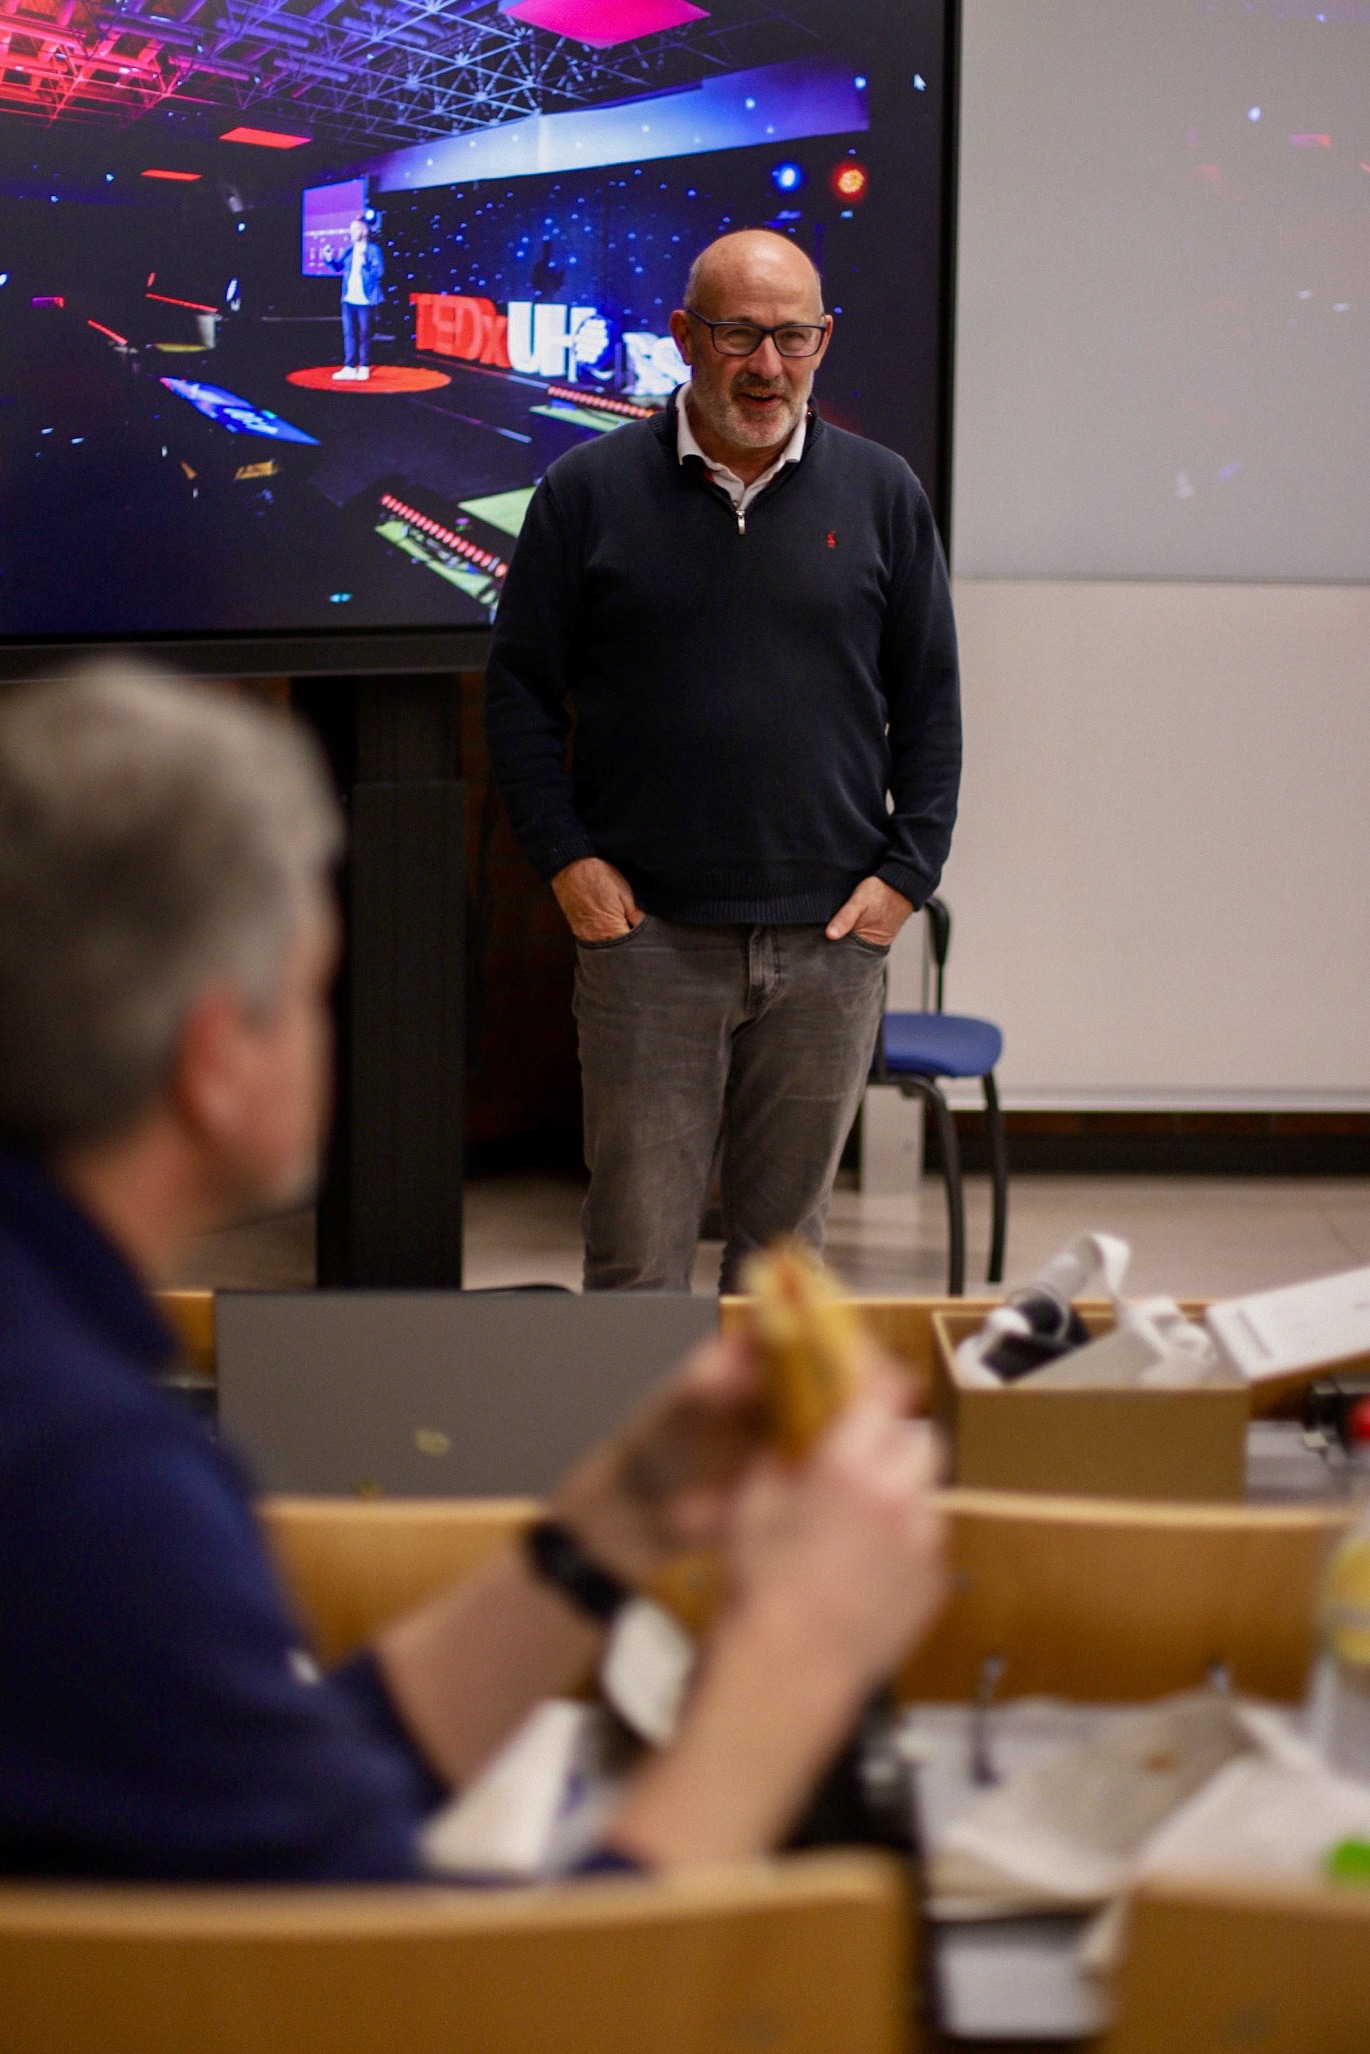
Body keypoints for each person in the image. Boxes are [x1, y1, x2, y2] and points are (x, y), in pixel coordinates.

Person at [0, 666, 945, 1882]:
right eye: (314, 989)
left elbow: (281, 1790)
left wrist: (610, 1526)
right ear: (218, 1060)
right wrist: (796, 1656)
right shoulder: (95, 1493)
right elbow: (422, 1972)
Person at [485, 230, 962, 1293]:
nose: (767, 365)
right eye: (739, 335)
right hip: (646, 942)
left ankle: (757, 1427)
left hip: (829, 945)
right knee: (635, 1265)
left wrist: (904, 879)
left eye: (794, 337)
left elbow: (931, 705)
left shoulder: (883, 493)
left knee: (783, 1280)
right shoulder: (585, 490)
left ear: (824, 339)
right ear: (683, 336)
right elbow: (518, 694)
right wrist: (566, 861)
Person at [330, 214, 384, 383]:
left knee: (365, 334)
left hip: (365, 300)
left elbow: (379, 272)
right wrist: (329, 259)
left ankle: (364, 366)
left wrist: (365, 263)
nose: (351, 232)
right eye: (350, 229)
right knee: (349, 334)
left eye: (355, 229)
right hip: (348, 299)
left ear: (364, 231)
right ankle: (349, 367)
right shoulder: (349, 249)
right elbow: (338, 267)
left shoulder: (373, 250)